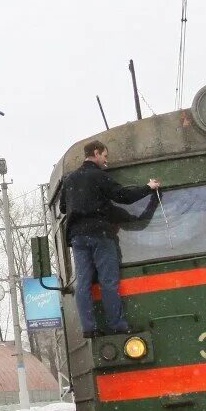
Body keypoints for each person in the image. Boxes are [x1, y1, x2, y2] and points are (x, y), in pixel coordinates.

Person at [59, 140, 160, 337]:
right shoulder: (99, 176)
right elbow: (123, 196)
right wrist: (148, 188)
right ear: (96, 153)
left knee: (83, 284)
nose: (106, 161)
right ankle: (117, 324)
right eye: (105, 156)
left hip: (78, 237)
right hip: (100, 234)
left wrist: (81, 203)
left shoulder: (70, 179)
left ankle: (89, 328)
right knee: (108, 282)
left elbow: (63, 207)